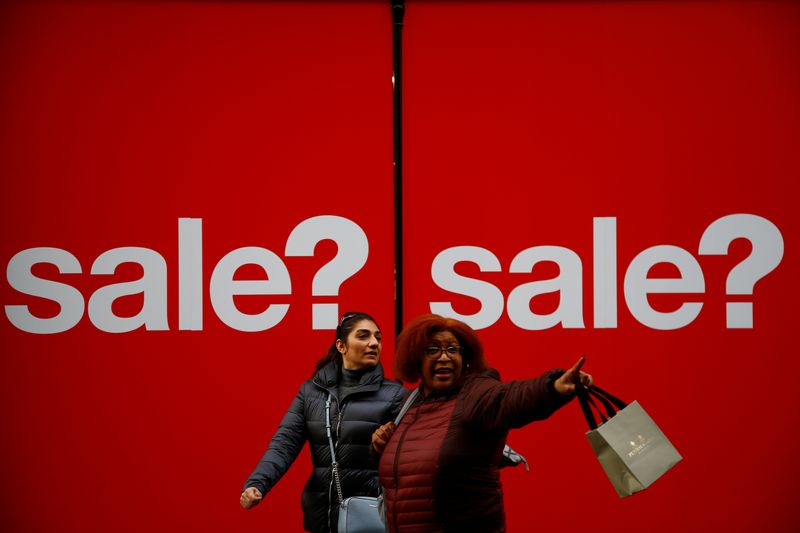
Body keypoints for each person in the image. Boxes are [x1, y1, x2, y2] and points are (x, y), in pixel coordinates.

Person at [372, 314, 594, 533]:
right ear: (416, 359)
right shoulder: (410, 402)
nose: (444, 357)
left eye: (452, 349)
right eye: (433, 350)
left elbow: (510, 398)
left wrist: (552, 387)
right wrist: (380, 445)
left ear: (464, 357)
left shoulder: (475, 393)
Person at [240, 311, 406, 533]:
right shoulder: (311, 392)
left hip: (370, 517)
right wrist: (257, 484)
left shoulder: (395, 395)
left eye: (378, 337)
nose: (374, 343)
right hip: (322, 517)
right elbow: (285, 443)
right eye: (363, 336)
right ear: (341, 346)